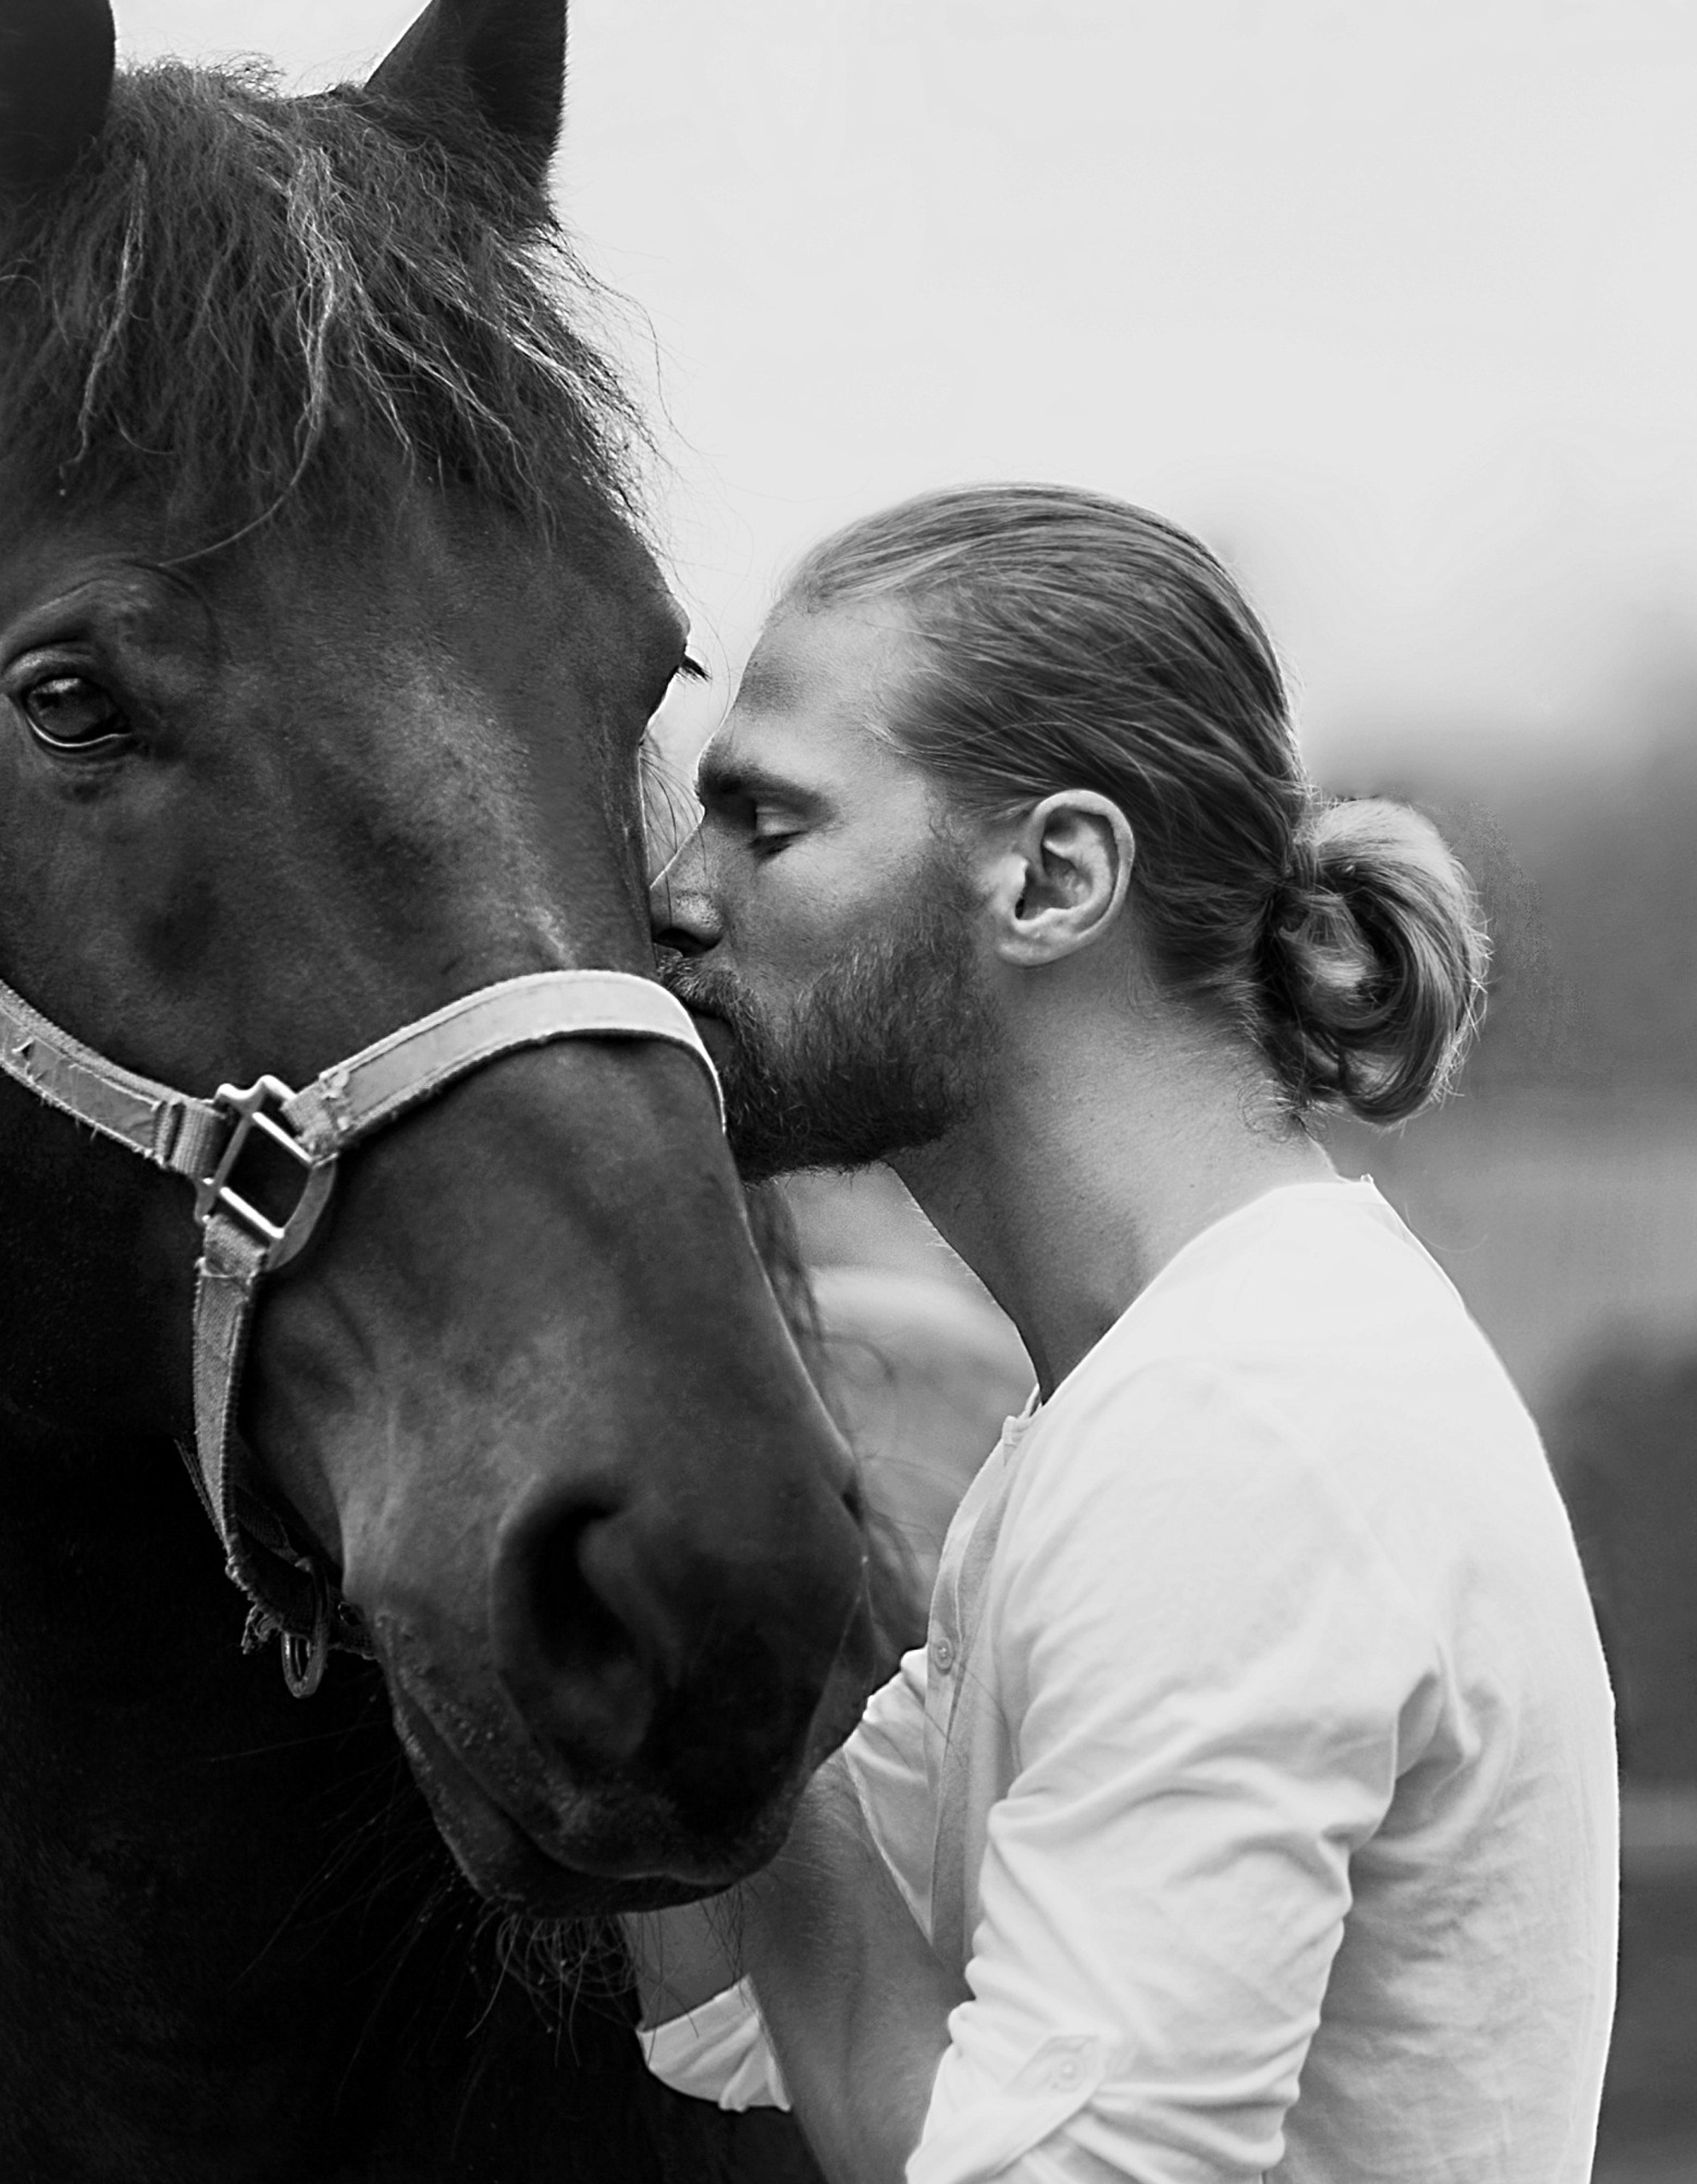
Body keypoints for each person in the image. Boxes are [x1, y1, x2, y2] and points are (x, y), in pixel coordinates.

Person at [631, 485, 1617, 2184]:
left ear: (1054, 875)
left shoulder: (1238, 1431)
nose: (676, 896)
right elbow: (750, 2009)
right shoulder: (1137, 1402)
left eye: (767, 825)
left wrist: (731, 1638)